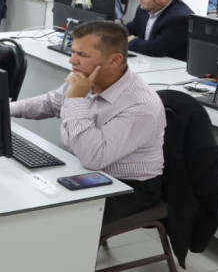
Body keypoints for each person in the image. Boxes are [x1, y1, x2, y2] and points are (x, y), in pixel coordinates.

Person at [10, 21, 165, 225]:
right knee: (17, 192)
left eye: (82, 55)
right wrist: (6, 109)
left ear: (115, 60)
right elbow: (50, 103)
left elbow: (94, 158)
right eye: (73, 51)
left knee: (40, 219)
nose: (72, 60)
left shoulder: (142, 105)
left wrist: (76, 99)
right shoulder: (86, 77)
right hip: (76, 167)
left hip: (126, 187)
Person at [124, 0, 194, 61]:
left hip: (171, 65)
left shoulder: (180, 18)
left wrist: (130, 41)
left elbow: (155, 49)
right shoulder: (145, 8)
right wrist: (114, 35)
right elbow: (132, 28)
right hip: (149, 60)